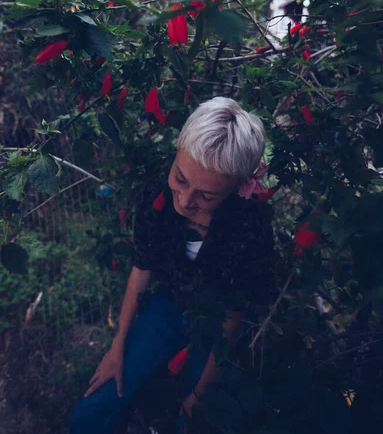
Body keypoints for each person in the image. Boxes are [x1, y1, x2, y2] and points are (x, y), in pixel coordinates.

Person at [69, 96, 275, 434]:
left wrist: (200, 392)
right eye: (180, 178)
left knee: (192, 422)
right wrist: (116, 347)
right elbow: (141, 269)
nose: (184, 200)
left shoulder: (249, 227)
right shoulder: (157, 195)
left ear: (238, 187)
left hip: (216, 324)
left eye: (206, 196)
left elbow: (234, 315)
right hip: (169, 307)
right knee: (92, 410)